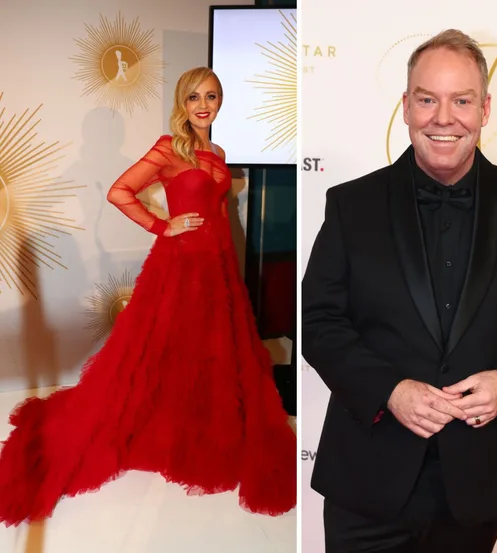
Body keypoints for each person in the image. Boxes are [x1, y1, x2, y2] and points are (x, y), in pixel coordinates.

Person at [302, 29, 497, 553]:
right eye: (427, 99)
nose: (443, 117)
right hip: (367, 478)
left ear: (485, 108)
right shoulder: (351, 205)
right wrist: (389, 389)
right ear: (405, 106)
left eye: (461, 100)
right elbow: (318, 322)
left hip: (477, 485)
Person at [0, 67, 296, 526]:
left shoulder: (217, 151)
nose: (203, 105)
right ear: (182, 102)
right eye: (194, 96)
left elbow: (216, 210)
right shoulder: (168, 148)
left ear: (220, 102)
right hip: (180, 266)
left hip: (216, 265)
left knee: (210, 349)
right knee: (162, 346)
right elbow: (120, 192)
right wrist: (164, 225)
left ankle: (194, 419)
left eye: (212, 97)